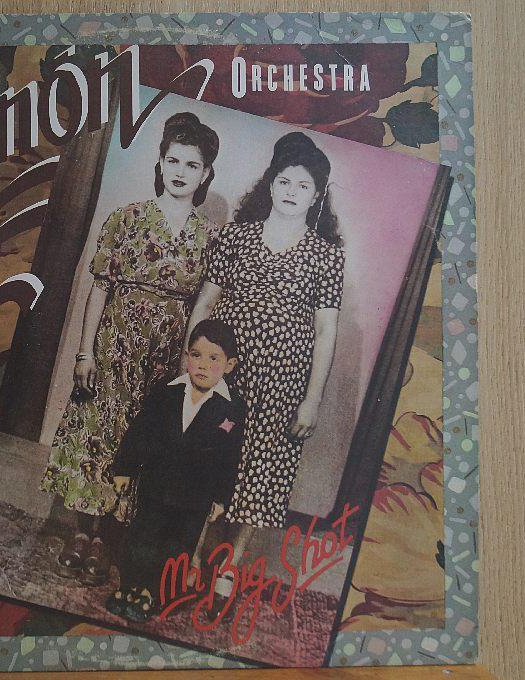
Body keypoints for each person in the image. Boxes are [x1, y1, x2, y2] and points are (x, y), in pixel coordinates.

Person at [40, 111, 221, 585]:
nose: (180, 171)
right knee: (97, 433)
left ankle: (107, 541)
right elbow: (98, 288)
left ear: (206, 174)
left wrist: (187, 367)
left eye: (192, 165)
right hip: (113, 347)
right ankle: (82, 532)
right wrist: (85, 353)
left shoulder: (209, 237)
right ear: (160, 162)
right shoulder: (127, 218)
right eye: (173, 160)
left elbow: (202, 306)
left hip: (164, 358)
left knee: (139, 441)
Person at [185, 131, 345, 604]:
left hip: (282, 385)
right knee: (209, 460)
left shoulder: (327, 256)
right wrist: (191, 364)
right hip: (227, 374)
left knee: (263, 470)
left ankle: (230, 565)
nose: (292, 192)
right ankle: (192, 555)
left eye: (303, 186)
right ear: (270, 184)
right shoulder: (236, 237)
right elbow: (205, 303)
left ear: (316, 197)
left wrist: (312, 400)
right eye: (285, 181)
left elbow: (326, 332)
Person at [104, 320, 245, 622]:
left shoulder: (231, 409)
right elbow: (140, 432)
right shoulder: (167, 392)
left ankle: (153, 593)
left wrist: (221, 499)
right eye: (196, 355)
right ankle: (130, 586)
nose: (202, 365)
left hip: (194, 499)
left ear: (229, 365)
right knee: (142, 538)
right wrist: (125, 468)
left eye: (213, 358)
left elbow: (229, 459)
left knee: (176, 548)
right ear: (186, 356)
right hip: (155, 486)